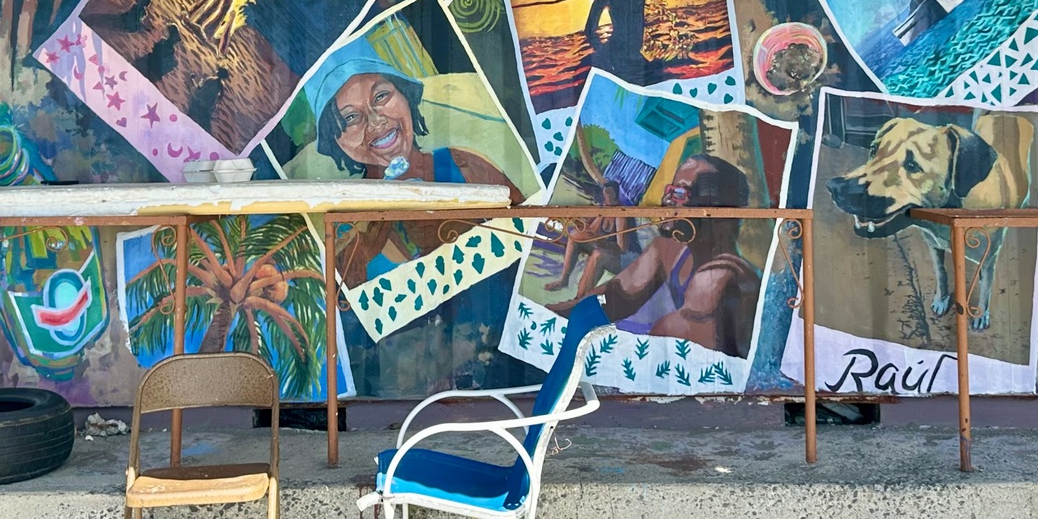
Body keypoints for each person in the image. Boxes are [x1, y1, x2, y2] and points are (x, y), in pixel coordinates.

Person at [303, 42, 524, 288]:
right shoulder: (348, 220)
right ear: (336, 141)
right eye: (351, 117)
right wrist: (364, 253)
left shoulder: (460, 164)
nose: (376, 122)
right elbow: (342, 300)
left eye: (381, 96)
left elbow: (528, 231)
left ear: (405, 95)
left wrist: (460, 226)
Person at [548, 154, 760, 358]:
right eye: (669, 190)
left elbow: (668, 350)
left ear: (716, 212)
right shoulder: (669, 249)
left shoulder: (720, 277)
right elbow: (614, 297)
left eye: (679, 193)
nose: (665, 200)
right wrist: (552, 314)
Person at [544, 180, 634, 298]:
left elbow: (622, 249)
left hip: (620, 260)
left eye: (609, 195)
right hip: (601, 246)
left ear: (615, 196)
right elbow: (587, 227)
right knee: (575, 236)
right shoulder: (602, 209)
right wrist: (572, 221)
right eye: (605, 194)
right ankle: (564, 280)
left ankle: (579, 297)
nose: (606, 198)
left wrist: (601, 243)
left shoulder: (621, 216)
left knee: (598, 255)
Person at [570, 0, 648, 83]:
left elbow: (589, 28)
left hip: (619, 55)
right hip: (627, 55)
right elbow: (637, 28)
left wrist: (601, 51)